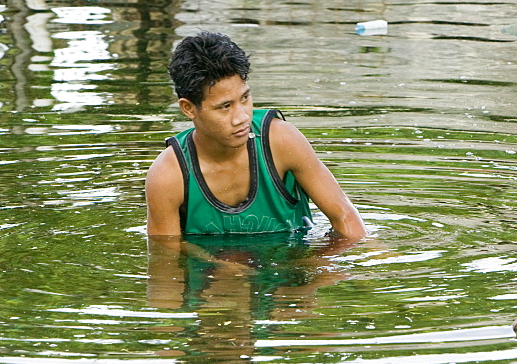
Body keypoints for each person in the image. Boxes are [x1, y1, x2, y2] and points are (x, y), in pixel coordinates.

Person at [145, 31, 366, 241]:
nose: (241, 117)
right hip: (213, 277)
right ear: (188, 108)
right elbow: (166, 261)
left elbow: (346, 221)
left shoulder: (281, 141)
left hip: (292, 271)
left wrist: (313, 271)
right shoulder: (167, 176)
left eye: (245, 98)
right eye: (225, 106)